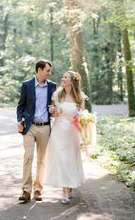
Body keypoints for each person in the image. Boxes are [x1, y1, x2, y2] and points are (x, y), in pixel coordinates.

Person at [43, 70, 86, 204]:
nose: (63, 79)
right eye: (63, 77)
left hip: (72, 132)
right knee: (62, 159)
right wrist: (52, 112)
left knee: (70, 159)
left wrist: (82, 118)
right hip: (58, 130)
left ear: (72, 81)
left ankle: (70, 186)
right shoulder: (56, 94)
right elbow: (54, 114)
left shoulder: (80, 96)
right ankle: (64, 192)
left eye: (65, 77)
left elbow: (83, 114)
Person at [17, 59, 56, 202]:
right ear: (39, 70)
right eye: (47, 70)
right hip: (29, 127)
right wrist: (19, 121)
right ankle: (26, 191)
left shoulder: (52, 86)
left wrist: (54, 110)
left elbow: (54, 106)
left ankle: (38, 189)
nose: (49, 73)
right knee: (28, 157)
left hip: (45, 127)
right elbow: (20, 106)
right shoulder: (27, 85)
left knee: (42, 160)